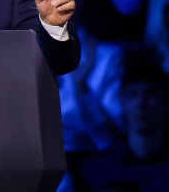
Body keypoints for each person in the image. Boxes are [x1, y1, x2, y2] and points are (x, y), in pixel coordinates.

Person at [65, 47, 169, 191]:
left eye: (150, 94)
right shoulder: (96, 169)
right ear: (122, 101)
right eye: (133, 95)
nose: (141, 103)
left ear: (165, 102)